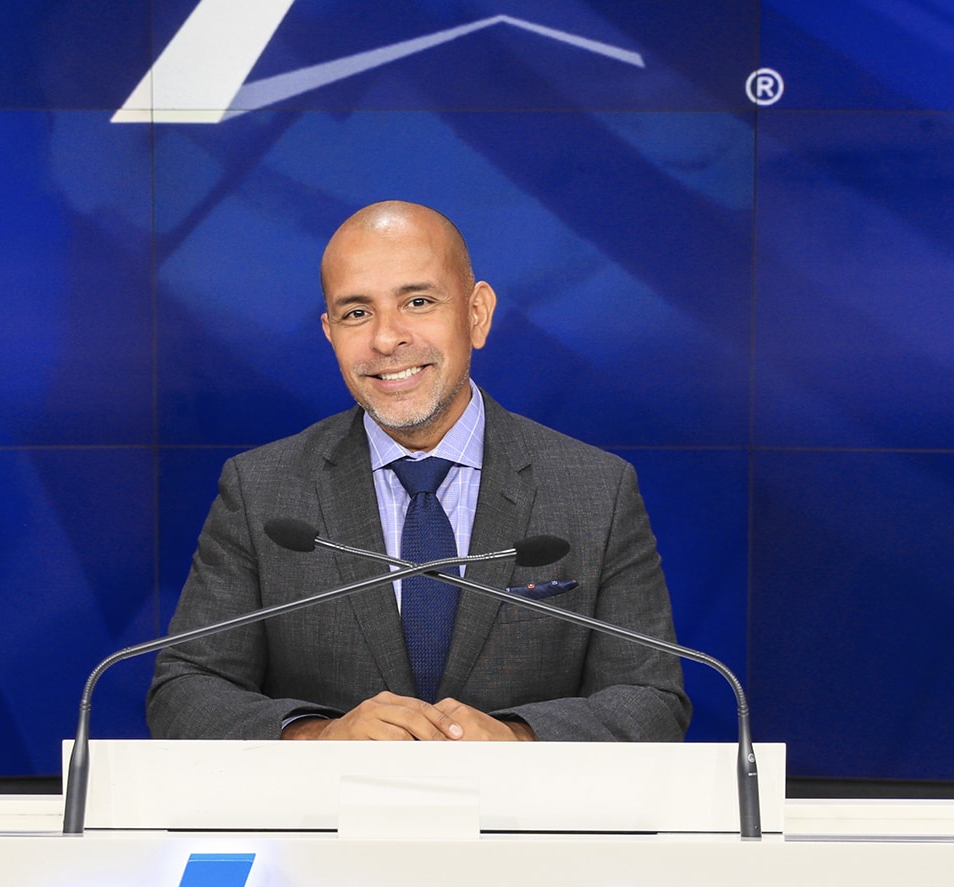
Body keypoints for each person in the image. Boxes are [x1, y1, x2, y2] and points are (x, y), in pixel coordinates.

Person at [146, 200, 690, 742]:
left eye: (418, 301)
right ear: (329, 332)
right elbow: (184, 691)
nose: (386, 338)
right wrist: (319, 737)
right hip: (331, 800)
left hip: (519, 801)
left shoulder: (596, 490)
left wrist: (518, 740)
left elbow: (652, 700)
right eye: (356, 313)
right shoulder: (261, 490)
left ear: (476, 314)